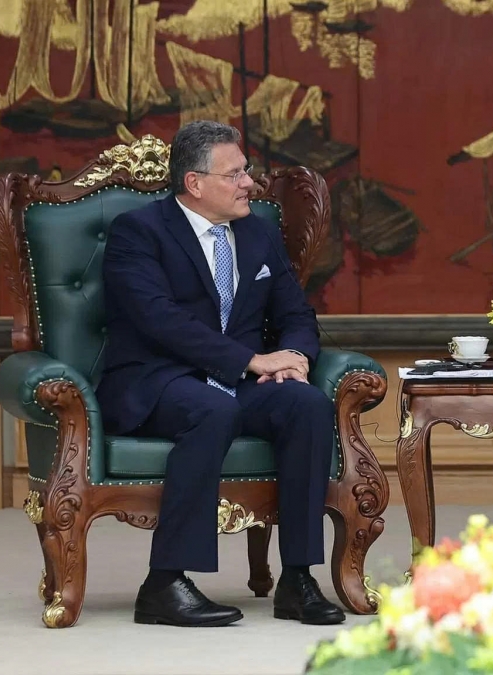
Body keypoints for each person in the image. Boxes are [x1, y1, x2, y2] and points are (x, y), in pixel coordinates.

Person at [97, 121, 343, 627]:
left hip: (236, 384)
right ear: (195, 183)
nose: (248, 183)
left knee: (307, 404)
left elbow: (296, 313)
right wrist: (252, 361)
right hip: (159, 380)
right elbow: (158, 319)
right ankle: (164, 584)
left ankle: (298, 578)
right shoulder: (138, 232)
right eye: (234, 174)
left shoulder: (257, 230)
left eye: (246, 171)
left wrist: (294, 357)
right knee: (212, 407)